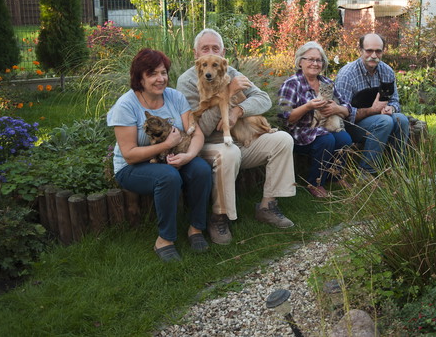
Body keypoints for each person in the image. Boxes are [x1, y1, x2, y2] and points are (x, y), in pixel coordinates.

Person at [176, 29, 296, 246]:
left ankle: (267, 206)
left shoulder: (230, 72)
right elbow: (199, 128)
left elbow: (263, 99)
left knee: (283, 140)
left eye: (215, 48)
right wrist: (228, 94)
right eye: (205, 48)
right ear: (195, 54)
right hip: (208, 146)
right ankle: (219, 217)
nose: (211, 53)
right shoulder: (187, 81)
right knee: (229, 153)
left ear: (223, 54)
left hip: (239, 140)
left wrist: (238, 110)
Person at [107, 48, 212, 262]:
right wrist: (166, 144)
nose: (160, 79)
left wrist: (188, 156)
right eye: (152, 74)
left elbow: (197, 133)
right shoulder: (126, 105)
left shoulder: (175, 97)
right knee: (168, 176)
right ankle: (164, 239)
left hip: (170, 158)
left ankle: (196, 228)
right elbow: (129, 155)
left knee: (201, 169)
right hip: (133, 167)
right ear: (139, 78)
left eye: (163, 72)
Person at [277, 41, 353, 198]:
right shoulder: (291, 84)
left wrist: (337, 109)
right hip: (299, 132)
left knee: (344, 138)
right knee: (327, 139)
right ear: (300, 62)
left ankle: (335, 176)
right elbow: (286, 118)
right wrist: (308, 107)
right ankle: (315, 183)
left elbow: (347, 107)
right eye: (310, 59)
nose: (315, 63)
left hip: (324, 127)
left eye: (319, 60)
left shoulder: (327, 83)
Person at [334, 33, 410, 175]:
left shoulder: (387, 71)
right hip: (352, 125)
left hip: (380, 118)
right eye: (369, 51)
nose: (374, 55)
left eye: (378, 51)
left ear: (383, 51)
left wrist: (391, 108)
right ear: (360, 50)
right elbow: (341, 113)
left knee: (402, 120)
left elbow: (395, 101)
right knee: (385, 121)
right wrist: (372, 110)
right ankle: (367, 171)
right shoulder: (347, 75)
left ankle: (397, 168)